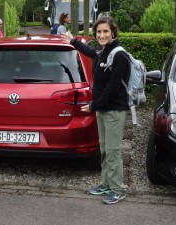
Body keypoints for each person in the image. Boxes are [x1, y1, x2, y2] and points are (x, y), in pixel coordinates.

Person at [61, 16, 130, 205]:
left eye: (105, 31)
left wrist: (94, 105)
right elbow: (91, 52)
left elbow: (113, 87)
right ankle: (106, 183)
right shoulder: (104, 51)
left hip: (114, 110)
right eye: (99, 32)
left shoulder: (119, 55)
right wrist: (74, 42)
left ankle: (117, 188)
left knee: (114, 150)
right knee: (105, 149)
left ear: (113, 33)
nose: (102, 35)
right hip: (102, 108)